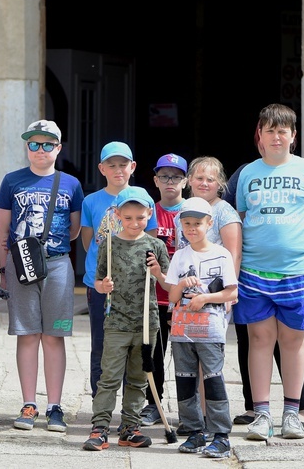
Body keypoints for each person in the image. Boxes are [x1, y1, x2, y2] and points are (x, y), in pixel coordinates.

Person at [223, 129, 304, 430]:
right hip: (253, 272)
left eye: (282, 131)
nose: (276, 138)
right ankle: (261, 413)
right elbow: (231, 218)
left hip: (298, 271)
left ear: (293, 136)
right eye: (270, 131)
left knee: (292, 340)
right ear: (259, 136)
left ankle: (293, 413)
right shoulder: (246, 173)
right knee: (258, 340)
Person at [0, 119, 83, 432]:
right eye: (34, 144)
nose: (41, 150)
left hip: (57, 264)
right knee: (28, 333)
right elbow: (2, 228)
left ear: (58, 148)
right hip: (20, 263)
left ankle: (54, 405)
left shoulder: (71, 184)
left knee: (54, 335)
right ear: (27, 147)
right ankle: (29, 403)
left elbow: (74, 229)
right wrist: (3, 267)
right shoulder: (12, 181)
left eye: (48, 144)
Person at [82, 186, 169, 451]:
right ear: (118, 214)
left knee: (139, 378)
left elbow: (168, 283)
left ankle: (130, 427)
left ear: (149, 214)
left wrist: (157, 273)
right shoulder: (108, 243)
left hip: (146, 324)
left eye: (140, 218)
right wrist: (103, 286)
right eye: (128, 217)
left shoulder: (156, 246)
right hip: (117, 323)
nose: (134, 223)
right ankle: (100, 427)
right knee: (109, 376)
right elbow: (97, 281)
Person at [80, 141, 158, 398]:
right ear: (101, 168)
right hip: (100, 283)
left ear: (132, 166)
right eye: (111, 165)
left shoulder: (144, 198)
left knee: (134, 345)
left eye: (123, 164)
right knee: (101, 345)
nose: (118, 170)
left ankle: (130, 407)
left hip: (134, 286)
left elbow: (152, 240)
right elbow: (88, 241)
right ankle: (99, 403)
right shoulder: (91, 201)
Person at [166, 196, 238, 458]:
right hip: (182, 331)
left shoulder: (221, 254)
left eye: (197, 223)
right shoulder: (181, 256)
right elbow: (172, 296)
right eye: (187, 224)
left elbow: (231, 293)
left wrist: (205, 297)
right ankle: (195, 431)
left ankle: (221, 435)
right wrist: (184, 285)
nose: (192, 228)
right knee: (185, 380)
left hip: (210, 329)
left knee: (213, 379)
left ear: (209, 223)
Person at [177, 155, 242, 436]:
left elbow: (233, 253)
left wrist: (229, 293)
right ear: (189, 181)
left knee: (209, 361)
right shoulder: (185, 210)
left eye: (210, 179)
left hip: (213, 297)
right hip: (188, 300)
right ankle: (195, 419)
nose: (204, 183)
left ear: (220, 184)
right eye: (199, 177)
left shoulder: (224, 212)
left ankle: (209, 417)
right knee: (189, 361)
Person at [140, 153, 188, 426]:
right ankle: (153, 403)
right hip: (155, 296)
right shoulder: (148, 212)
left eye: (176, 176)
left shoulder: (192, 212)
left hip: (184, 297)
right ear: (156, 180)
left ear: (185, 181)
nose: (170, 182)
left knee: (185, 354)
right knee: (154, 352)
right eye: (165, 176)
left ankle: (187, 406)